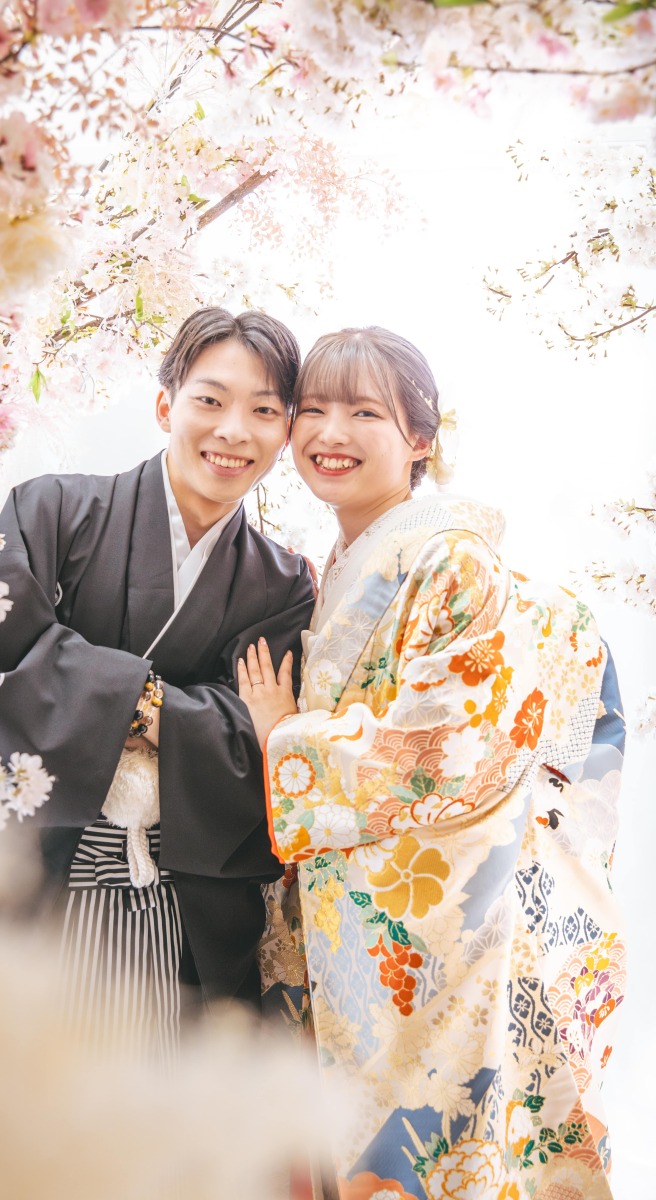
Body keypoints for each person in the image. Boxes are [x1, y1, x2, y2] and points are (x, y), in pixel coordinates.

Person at [238, 327, 626, 1200]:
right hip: (360, 918)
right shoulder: (348, 562)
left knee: (432, 1154)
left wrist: (284, 736)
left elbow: (453, 740)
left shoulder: (452, 557)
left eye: (363, 413)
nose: (329, 433)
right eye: (312, 410)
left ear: (420, 438)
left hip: (435, 929)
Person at [0, 307, 316, 1063]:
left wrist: (101, 694)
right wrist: (163, 708)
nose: (233, 431)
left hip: (172, 905)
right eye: (210, 400)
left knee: (139, 1111)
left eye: (264, 411)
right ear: (165, 405)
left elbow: (260, 744)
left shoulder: (281, 586)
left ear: (285, 431)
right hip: (31, 878)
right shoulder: (49, 510)